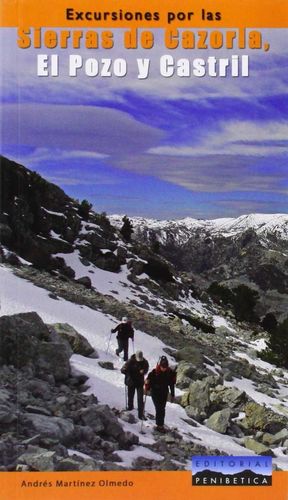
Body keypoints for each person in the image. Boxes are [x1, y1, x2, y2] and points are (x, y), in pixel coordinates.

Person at [144, 355, 176, 433]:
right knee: (159, 408)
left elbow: (171, 384)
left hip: (164, 392)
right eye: (162, 367)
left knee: (162, 409)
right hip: (155, 392)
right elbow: (148, 381)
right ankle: (159, 425)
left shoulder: (170, 372)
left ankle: (160, 424)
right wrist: (147, 388)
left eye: (165, 367)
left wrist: (172, 394)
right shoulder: (154, 372)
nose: (164, 369)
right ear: (160, 365)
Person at [121, 350, 149, 419]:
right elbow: (122, 370)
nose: (139, 360)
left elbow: (146, 368)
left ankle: (141, 414)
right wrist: (125, 370)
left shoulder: (144, 362)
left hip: (139, 382)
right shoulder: (130, 361)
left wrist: (144, 371)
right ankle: (130, 407)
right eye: (138, 359)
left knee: (140, 398)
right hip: (131, 381)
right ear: (136, 357)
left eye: (140, 359)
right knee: (130, 395)